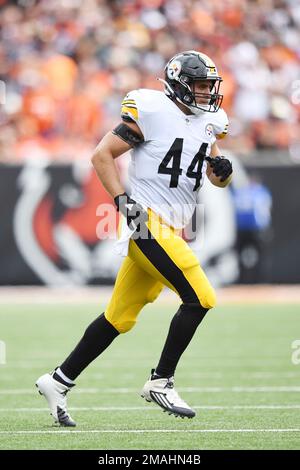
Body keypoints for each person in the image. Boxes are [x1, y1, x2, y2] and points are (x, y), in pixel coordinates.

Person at [36, 51, 233, 426]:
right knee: (201, 297)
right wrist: (123, 203)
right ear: (179, 84)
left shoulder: (211, 123)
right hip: (146, 222)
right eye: (201, 85)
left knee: (119, 317)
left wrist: (223, 172)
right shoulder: (152, 110)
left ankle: (58, 380)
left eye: (211, 86)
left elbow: (216, 177)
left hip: (170, 227)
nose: (208, 93)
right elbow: (102, 155)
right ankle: (161, 380)